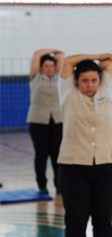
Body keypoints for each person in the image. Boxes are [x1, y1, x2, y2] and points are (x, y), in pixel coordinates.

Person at [57, 53, 112, 237]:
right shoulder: (68, 94)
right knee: (75, 223)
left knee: (103, 222)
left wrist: (99, 63)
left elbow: (110, 61)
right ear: (76, 81)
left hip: (107, 168)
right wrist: (95, 57)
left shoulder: (106, 92)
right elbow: (69, 61)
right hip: (74, 170)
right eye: (84, 80)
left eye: (94, 80)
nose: (90, 85)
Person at [27, 49, 64, 194]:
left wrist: (57, 52)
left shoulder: (59, 78)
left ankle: (59, 186)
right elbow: (36, 55)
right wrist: (49, 51)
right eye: (46, 66)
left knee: (57, 155)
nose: (49, 68)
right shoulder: (36, 77)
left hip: (57, 121)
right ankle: (42, 185)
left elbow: (61, 55)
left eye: (52, 65)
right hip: (38, 122)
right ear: (41, 67)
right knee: (41, 154)